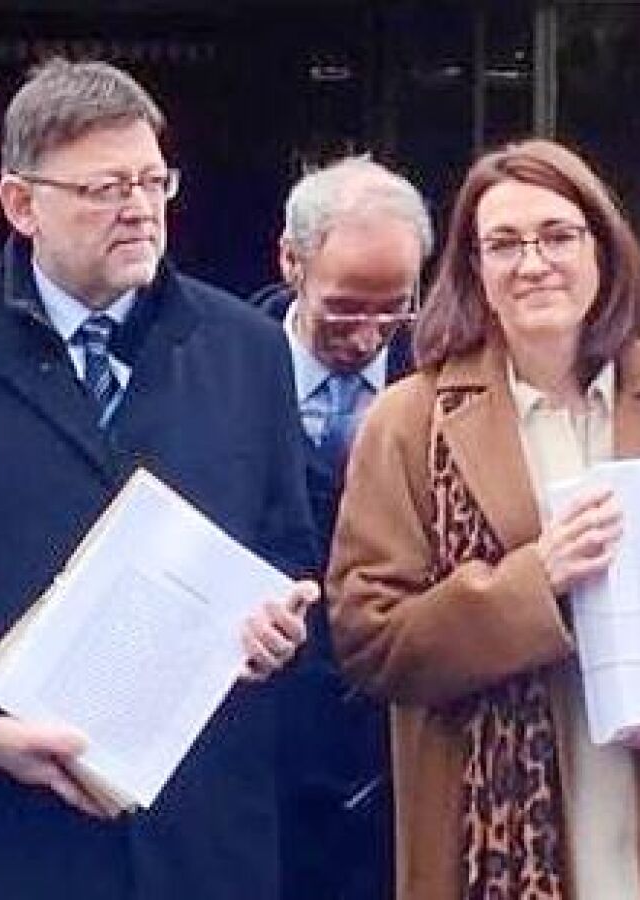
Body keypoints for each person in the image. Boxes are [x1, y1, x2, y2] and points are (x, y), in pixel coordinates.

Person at [0, 58, 318, 900]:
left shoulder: (247, 349)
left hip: (195, 836)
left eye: (154, 182)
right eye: (105, 189)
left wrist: (281, 628)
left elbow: (286, 548)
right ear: (21, 204)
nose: (140, 209)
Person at [326, 139, 640, 900]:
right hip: (498, 844)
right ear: (473, 269)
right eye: (504, 244)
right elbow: (369, 638)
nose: (533, 263)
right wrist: (536, 581)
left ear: (603, 248)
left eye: (558, 235)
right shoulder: (410, 422)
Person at [249, 155, 432, 900]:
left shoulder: (447, 381)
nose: (367, 337)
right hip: (263, 752)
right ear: (290, 261)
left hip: (403, 749)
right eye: (345, 308)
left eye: (394, 310)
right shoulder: (214, 366)